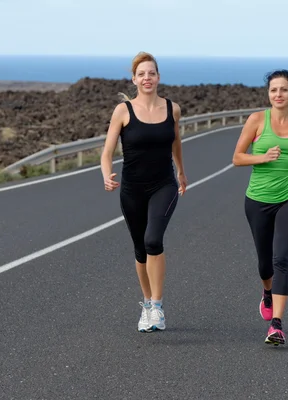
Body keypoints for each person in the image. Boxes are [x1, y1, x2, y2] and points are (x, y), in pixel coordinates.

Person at [100, 51, 187, 333]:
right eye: (142, 74)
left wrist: (181, 171)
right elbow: (107, 152)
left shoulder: (172, 108)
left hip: (164, 184)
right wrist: (106, 175)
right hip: (131, 188)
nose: (147, 78)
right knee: (140, 250)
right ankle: (147, 304)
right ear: (134, 79)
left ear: (158, 77)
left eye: (152, 73)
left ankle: (158, 307)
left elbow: (176, 143)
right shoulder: (123, 111)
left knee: (153, 240)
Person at [232, 69, 288, 346]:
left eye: (283, 89)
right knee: (265, 263)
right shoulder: (257, 120)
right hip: (257, 200)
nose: (278, 94)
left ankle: (276, 325)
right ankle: (267, 293)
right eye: (273, 90)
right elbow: (237, 158)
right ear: (268, 94)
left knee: (281, 259)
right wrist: (262, 157)